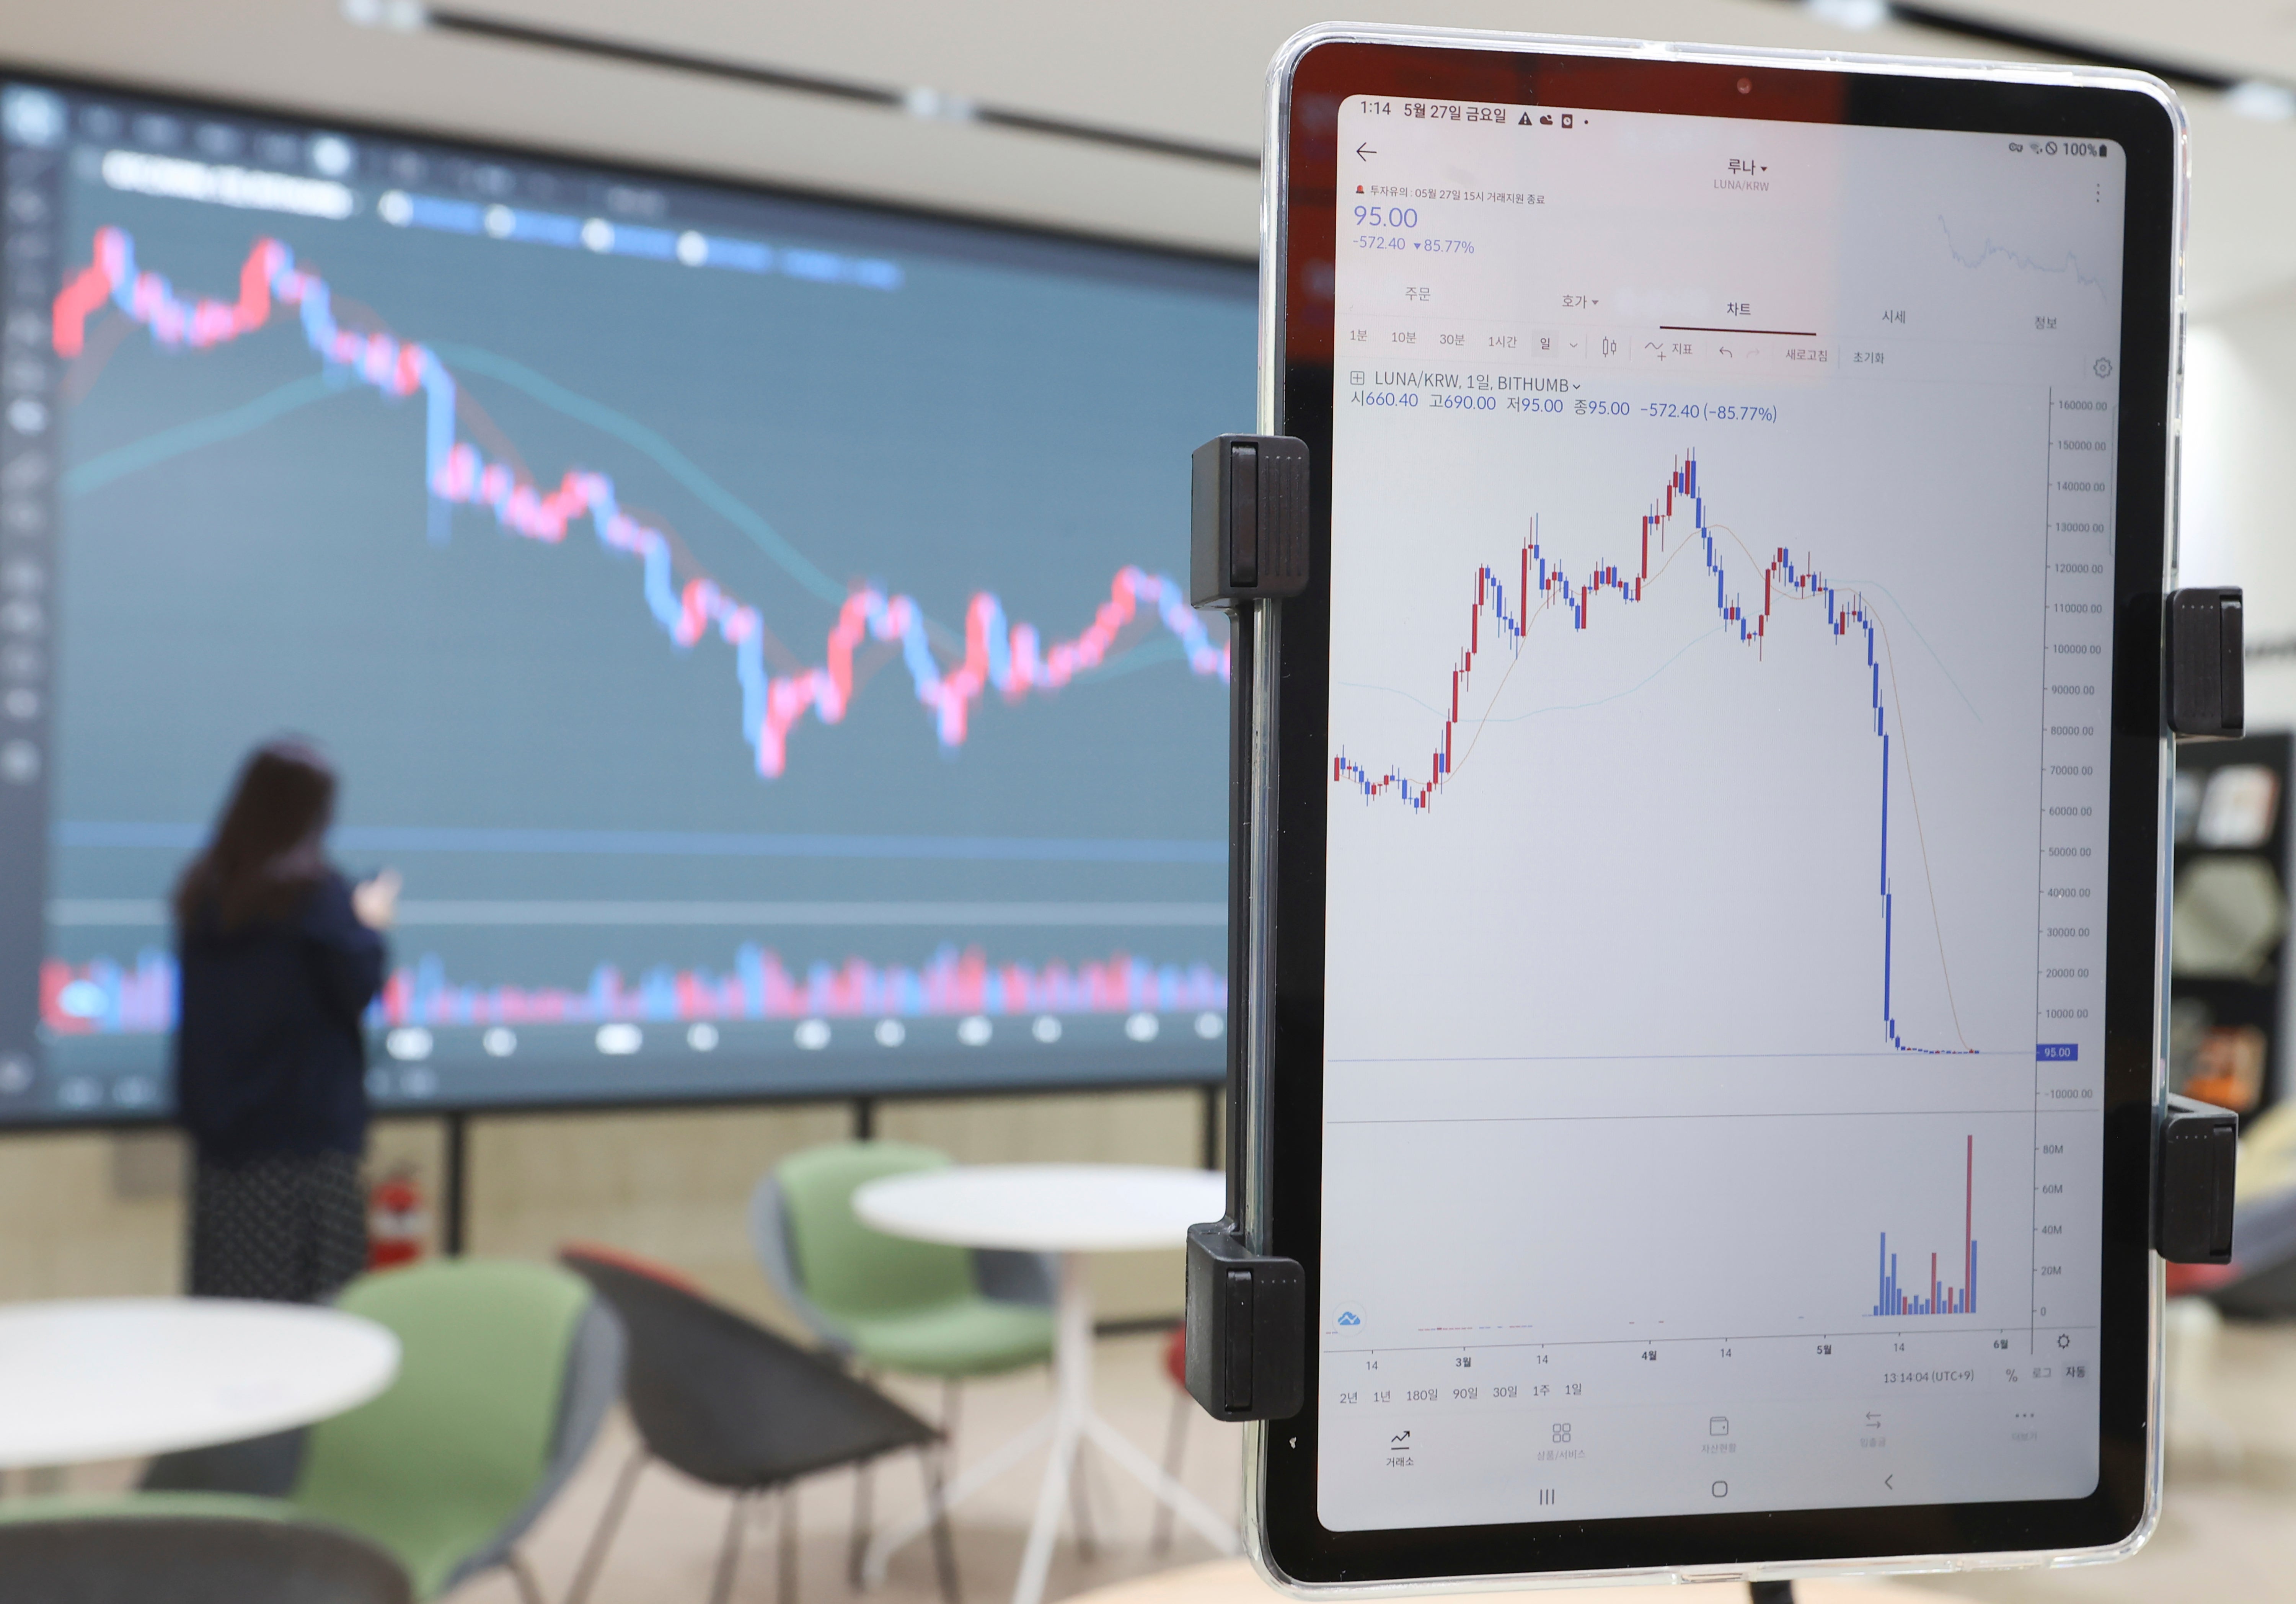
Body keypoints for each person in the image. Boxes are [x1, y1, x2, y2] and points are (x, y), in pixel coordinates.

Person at [172, 740, 399, 1302]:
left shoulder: (205, 892)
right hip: (305, 1150)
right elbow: (357, 987)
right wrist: (368, 925)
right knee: (317, 1334)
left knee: (236, 1320)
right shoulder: (316, 899)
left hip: (225, 1154)